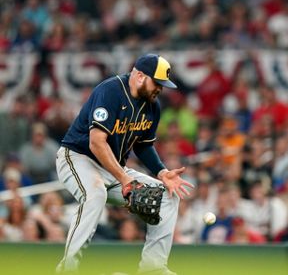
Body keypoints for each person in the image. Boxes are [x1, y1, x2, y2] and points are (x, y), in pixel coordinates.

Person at [55, 53, 194, 275]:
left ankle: (153, 268)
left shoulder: (152, 106)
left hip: (114, 169)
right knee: (96, 194)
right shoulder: (110, 91)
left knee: (168, 195)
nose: (160, 89)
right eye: (157, 82)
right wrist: (124, 178)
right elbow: (96, 143)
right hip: (78, 158)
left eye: (163, 84)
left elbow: (144, 145)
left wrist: (161, 171)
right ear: (139, 76)